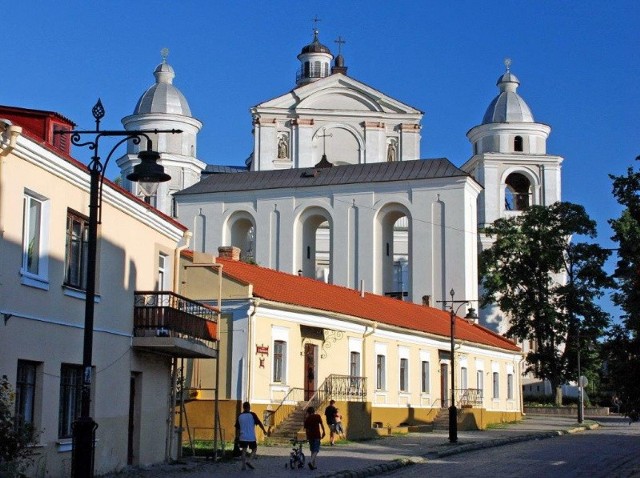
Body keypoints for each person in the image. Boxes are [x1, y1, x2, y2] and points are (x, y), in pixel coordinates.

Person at [235, 401, 267, 470]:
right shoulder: (253, 415)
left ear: (243, 407)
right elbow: (259, 423)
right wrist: (264, 430)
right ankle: (249, 461)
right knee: (254, 449)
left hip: (242, 437)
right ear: (249, 407)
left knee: (243, 450)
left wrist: (237, 437)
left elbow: (237, 428)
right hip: (251, 437)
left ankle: (243, 466)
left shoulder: (240, 416)